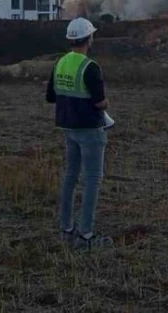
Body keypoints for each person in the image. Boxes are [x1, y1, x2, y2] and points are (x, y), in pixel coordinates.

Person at [46, 17, 113, 250]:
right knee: (92, 179)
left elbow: (51, 97)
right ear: (89, 38)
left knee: (70, 176)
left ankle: (66, 229)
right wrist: (105, 103)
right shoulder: (90, 67)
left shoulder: (60, 63)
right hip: (91, 130)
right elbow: (99, 102)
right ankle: (86, 236)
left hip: (69, 128)